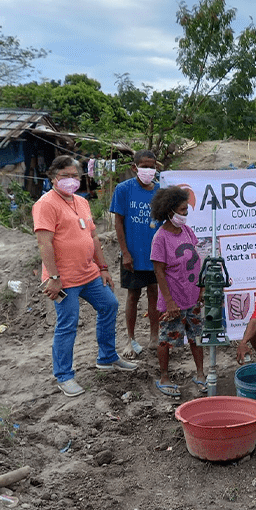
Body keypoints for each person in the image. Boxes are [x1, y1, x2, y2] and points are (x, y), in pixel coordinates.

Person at [33, 156, 137, 397]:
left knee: (109, 304)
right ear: (53, 177)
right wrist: (54, 277)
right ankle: (64, 376)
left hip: (88, 273)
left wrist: (103, 267)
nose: (71, 180)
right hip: (63, 278)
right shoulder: (46, 204)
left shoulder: (81, 202)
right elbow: (44, 243)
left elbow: (93, 237)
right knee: (68, 323)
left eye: (75, 175)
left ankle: (107, 357)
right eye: (65, 175)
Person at [149, 186, 205, 397]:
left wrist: (200, 288)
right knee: (166, 339)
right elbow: (159, 272)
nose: (185, 214)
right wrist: (170, 302)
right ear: (169, 210)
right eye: (181, 210)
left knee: (196, 337)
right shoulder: (160, 238)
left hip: (191, 296)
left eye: (186, 210)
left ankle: (200, 374)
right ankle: (164, 377)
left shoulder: (188, 231)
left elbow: (196, 261)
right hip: (173, 299)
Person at [110, 149, 160, 356]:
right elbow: (119, 222)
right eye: (144, 166)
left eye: (152, 166)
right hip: (133, 254)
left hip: (156, 255)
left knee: (155, 294)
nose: (148, 170)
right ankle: (130, 339)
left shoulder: (160, 191)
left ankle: (154, 337)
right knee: (133, 295)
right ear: (135, 168)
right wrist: (125, 252)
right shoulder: (123, 190)